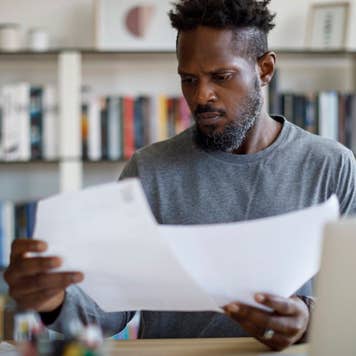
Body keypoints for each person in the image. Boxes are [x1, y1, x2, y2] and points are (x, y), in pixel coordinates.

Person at [4, 0, 356, 351]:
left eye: (221, 77)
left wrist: (308, 317)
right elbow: (105, 311)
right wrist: (53, 299)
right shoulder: (150, 170)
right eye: (189, 79)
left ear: (264, 70)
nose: (201, 95)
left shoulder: (330, 166)